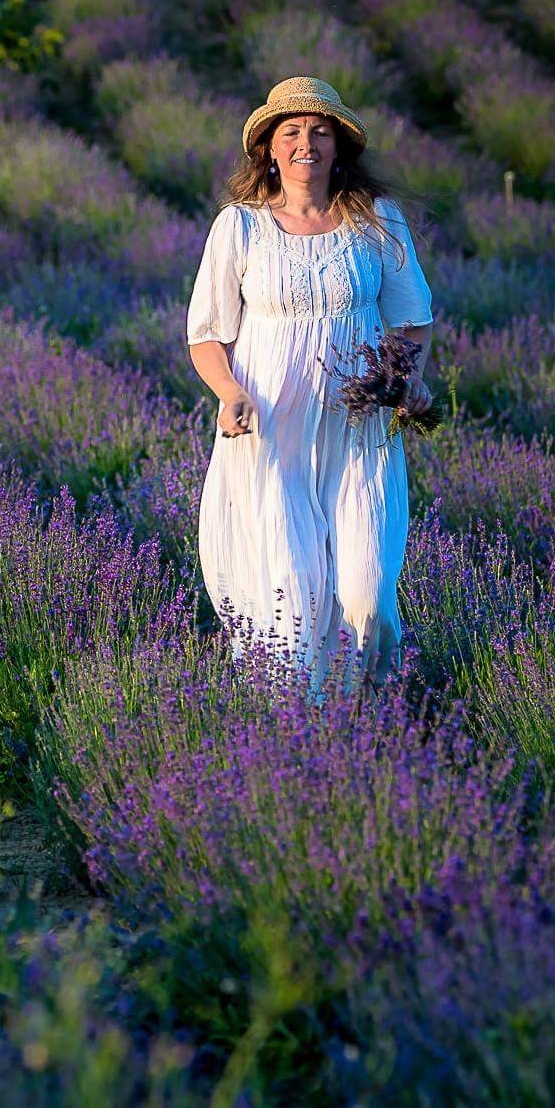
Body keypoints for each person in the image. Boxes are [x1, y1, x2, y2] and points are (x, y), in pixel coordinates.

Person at [185, 76, 435, 688]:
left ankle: (374, 705)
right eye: (291, 132)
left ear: (338, 145)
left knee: (366, 594)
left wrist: (405, 380)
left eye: (320, 132)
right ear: (268, 148)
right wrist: (230, 393)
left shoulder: (378, 223)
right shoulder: (240, 228)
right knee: (290, 598)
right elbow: (207, 336)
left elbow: (413, 322)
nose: (306, 143)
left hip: (358, 430)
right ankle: (302, 730)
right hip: (272, 434)